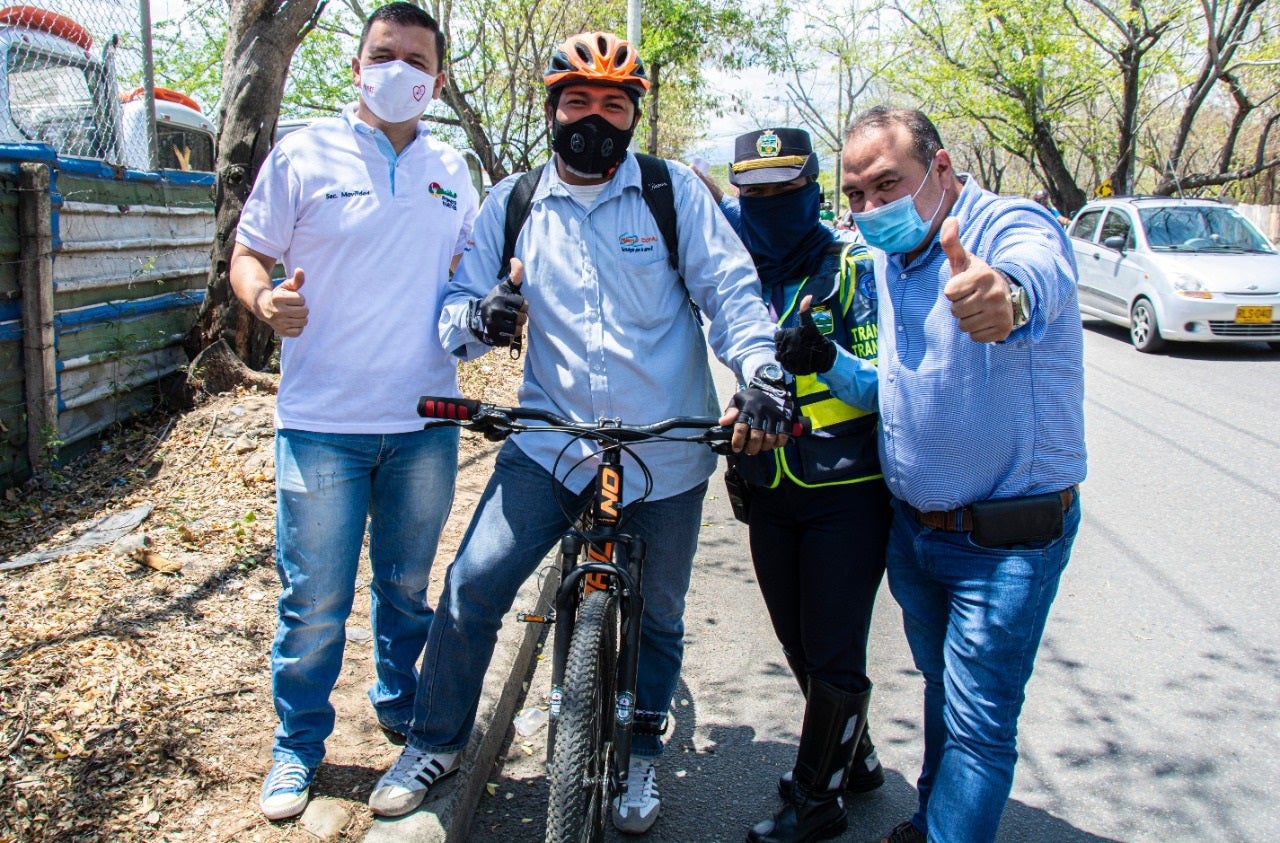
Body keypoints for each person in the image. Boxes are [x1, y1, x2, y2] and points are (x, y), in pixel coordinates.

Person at [368, 31, 793, 834]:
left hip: (665, 452)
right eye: (577, 102)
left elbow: (732, 294)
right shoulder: (515, 203)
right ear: (553, 108)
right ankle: (435, 741)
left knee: (661, 615)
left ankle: (639, 753)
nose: (592, 118)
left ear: (633, 117)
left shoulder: (674, 194)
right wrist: (483, 317)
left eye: (612, 104)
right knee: (470, 587)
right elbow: (456, 310)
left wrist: (763, 372)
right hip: (550, 446)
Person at [228, 2, 479, 821]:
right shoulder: (304, 152)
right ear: (356, 64)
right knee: (314, 602)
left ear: (437, 79)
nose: (398, 70)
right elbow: (248, 253)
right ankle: (298, 744)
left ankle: (403, 709)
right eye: (384, 53)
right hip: (321, 424)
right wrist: (265, 301)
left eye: (416, 59)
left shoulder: (453, 166)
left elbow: (470, 276)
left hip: (424, 423)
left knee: (408, 590)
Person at [839, 106, 1086, 843]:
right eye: (856, 194)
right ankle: (930, 821)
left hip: (1003, 543)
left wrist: (1004, 296)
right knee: (946, 692)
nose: (870, 208)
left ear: (941, 169)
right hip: (917, 536)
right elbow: (899, 384)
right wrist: (823, 361)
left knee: (980, 725)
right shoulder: (892, 256)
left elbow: (1030, 273)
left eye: (888, 185)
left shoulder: (1005, 227)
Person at [696, 128, 890, 843]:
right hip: (765, 486)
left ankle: (818, 801)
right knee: (797, 642)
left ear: (815, 191)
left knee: (834, 645)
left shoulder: (854, 268)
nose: (770, 205)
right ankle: (854, 755)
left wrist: (826, 356)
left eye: (786, 190)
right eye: (755, 193)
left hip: (848, 490)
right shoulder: (728, 262)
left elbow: (880, 389)